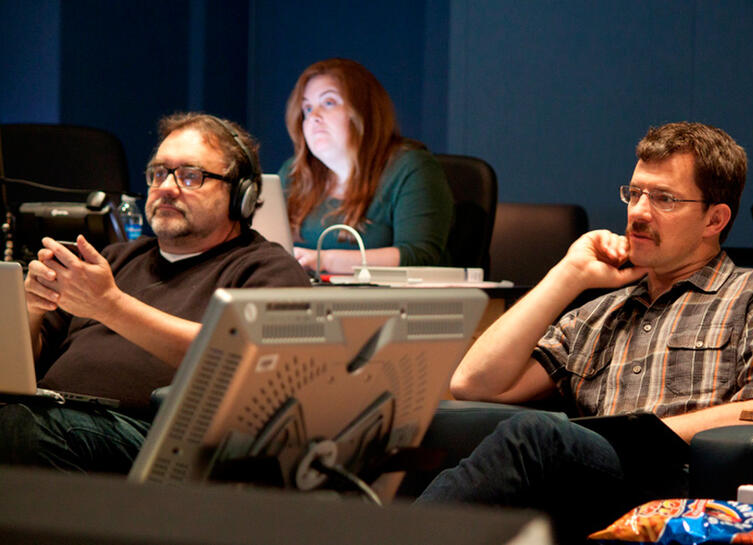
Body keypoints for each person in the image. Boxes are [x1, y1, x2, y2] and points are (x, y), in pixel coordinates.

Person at [417, 122, 753, 540]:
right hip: (590, 488)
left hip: (691, 490)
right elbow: (473, 383)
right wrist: (569, 274)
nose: (639, 212)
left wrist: (644, 435)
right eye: (635, 193)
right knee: (524, 445)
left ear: (714, 219)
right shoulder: (601, 313)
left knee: (535, 435)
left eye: (664, 198)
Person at [0, 112, 310, 473]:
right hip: (50, 415)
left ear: (242, 194)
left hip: (162, 437)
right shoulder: (115, 259)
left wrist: (110, 306)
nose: (166, 187)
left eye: (190, 176)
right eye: (158, 173)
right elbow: (28, 362)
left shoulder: (264, 267)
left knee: (23, 429)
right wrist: (30, 309)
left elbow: (240, 361)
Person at [278, 58, 454, 274]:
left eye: (329, 102)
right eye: (307, 108)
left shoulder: (410, 168)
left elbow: (418, 256)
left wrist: (324, 260)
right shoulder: (294, 173)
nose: (314, 116)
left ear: (363, 111)